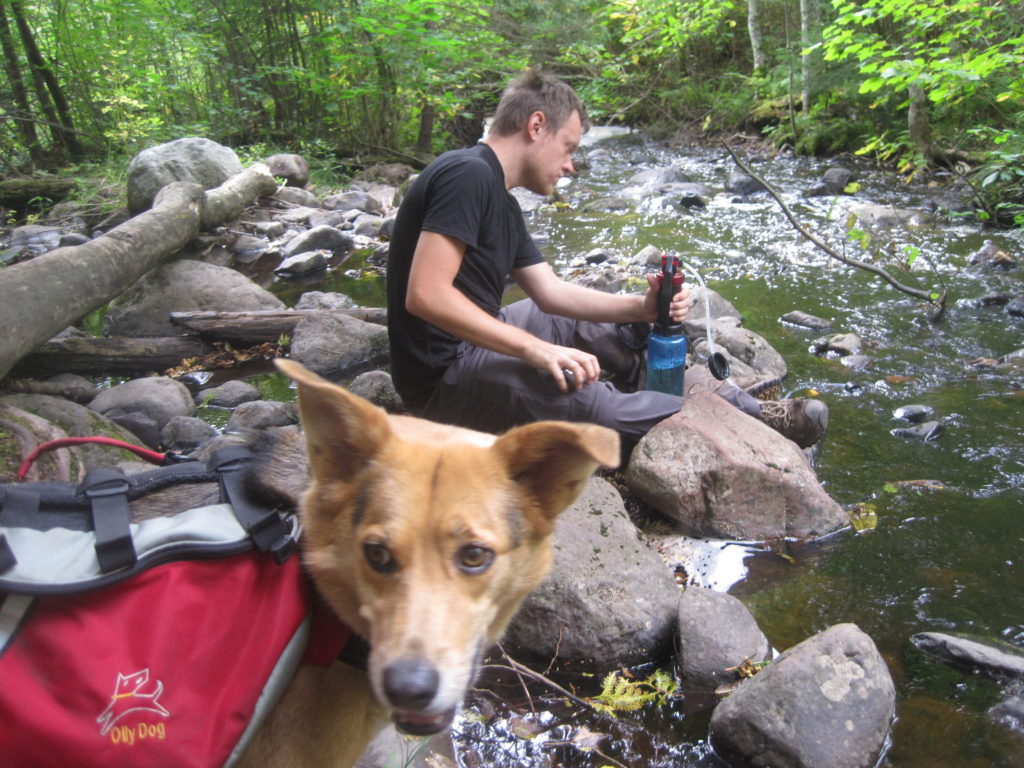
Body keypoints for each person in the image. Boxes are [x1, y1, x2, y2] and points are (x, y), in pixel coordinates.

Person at [386, 70, 827, 456]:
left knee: (586, 324)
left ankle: (688, 388)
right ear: (536, 125)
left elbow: (550, 292)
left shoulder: (500, 200)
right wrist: (535, 349)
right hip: (444, 382)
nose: (570, 165)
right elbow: (426, 294)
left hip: (475, 348)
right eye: (568, 147)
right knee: (591, 404)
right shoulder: (468, 174)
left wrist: (642, 308)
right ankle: (731, 413)